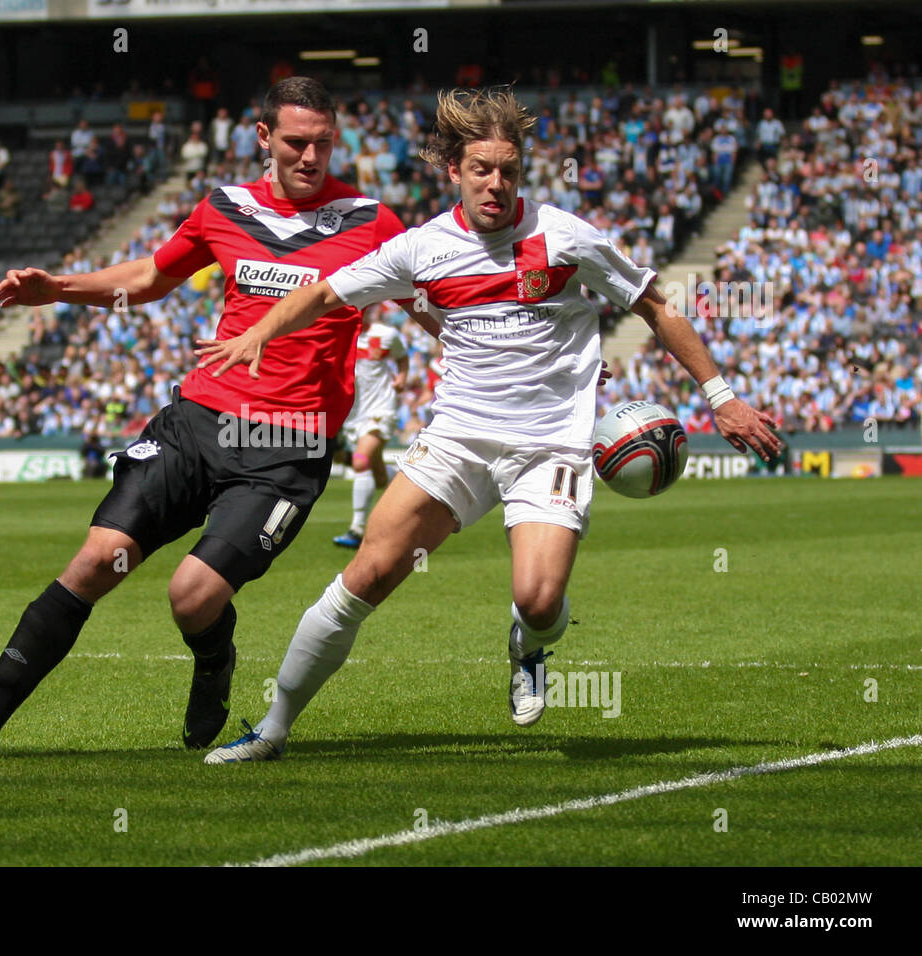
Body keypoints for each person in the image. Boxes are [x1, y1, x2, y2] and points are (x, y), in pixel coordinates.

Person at [196, 88, 782, 763]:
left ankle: (529, 644)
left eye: (508, 168)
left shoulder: (564, 237)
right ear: (455, 170)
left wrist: (722, 395)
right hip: (458, 439)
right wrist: (258, 334)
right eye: (481, 168)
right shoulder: (422, 249)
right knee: (366, 578)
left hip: (551, 446)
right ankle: (272, 730)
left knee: (537, 600)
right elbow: (325, 292)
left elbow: (656, 305)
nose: (495, 183)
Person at [0, 76, 432, 759]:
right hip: (195, 423)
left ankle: (213, 659)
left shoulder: (372, 222)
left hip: (285, 451)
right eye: (296, 143)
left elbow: (435, 304)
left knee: (191, 596)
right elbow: (150, 278)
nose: (310, 158)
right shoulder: (225, 208)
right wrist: (59, 289)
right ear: (263, 139)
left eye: (323, 145)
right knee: (100, 560)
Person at [331, 305, 408, 549]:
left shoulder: (386, 334)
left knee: (360, 460)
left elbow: (402, 357)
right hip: (353, 414)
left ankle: (356, 529)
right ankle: (400, 479)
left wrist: (401, 378)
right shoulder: (339, 335)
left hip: (381, 409)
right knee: (376, 475)